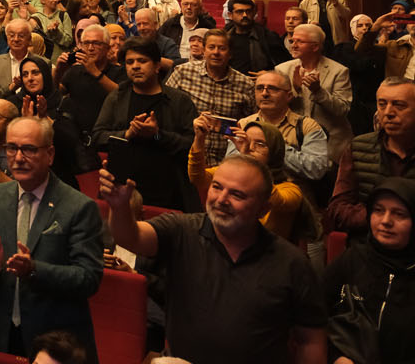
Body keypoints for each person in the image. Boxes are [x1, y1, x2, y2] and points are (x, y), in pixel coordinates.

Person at [101, 154, 327, 363]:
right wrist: (120, 207)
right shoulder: (181, 230)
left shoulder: (291, 262)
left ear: (263, 209)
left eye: (237, 194)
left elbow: (311, 339)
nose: (221, 199)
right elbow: (131, 237)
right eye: (216, 187)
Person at [0, 116, 103, 359]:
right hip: (3, 334)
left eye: (29, 149)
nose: (18, 158)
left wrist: (34, 270)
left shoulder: (79, 207)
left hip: (57, 343)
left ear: (50, 154)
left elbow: (89, 277)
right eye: (12, 148)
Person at [91, 37, 197, 210]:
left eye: (142, 61)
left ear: (157, 66)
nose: (135, 66)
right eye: (130, 62)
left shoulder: (179, 101)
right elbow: (97, 137)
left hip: (169, 191)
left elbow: (192, 146)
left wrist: (157, 134)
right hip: (122, 188)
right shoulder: (118, 97)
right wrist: (127, 134)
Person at [322, 177, 415, 363]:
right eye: (378, 211)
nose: (386, 221)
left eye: (399, 214)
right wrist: (335, 355)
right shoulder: (352, 259)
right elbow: (314, 315)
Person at [328, 78, 415, 232]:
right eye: (382, 104)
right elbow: (337, 210)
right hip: (367, 243)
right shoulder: (359, 147)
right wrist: (378, 217)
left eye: (399, 105)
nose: (388, 113)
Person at [163, 30, 256, 166]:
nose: (216, 52)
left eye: (222, 48)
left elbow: (250, 122)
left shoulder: (245, 84)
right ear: (204, 51)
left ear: (230, 54)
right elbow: (165, 107)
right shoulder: (183, 72)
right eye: (211, 47)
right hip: (184, 156)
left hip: (225, 162)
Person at [276, 23, 354, 167]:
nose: (294, 45)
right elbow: (276, 108)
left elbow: (342, 110)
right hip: (292, 143)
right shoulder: (282, 70)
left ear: (315, 47)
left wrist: (318, 91)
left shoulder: (338, 71)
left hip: (330, 145)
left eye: (300, 41)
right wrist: (296, 90)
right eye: (293, 41)